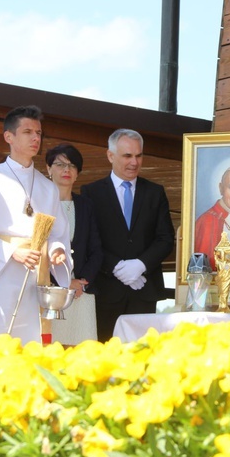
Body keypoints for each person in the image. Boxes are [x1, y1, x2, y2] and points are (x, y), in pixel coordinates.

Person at [0, 105, 71, 345]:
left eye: (39, 132)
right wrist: (13, 251)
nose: (36, 138)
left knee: (32, 343)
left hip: (38, 277)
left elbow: (58, 233)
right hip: (1, 275)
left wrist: (56, 250)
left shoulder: (48, 188)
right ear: (9, 137)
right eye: (27, 132)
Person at [81, 129, 175, 342]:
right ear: (110, 156)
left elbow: (165, 238)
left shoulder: (155, 192)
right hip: (106, 291)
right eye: (127, 156)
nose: (134, 162)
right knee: (106, 359)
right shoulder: (92, 192)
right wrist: (117, 267)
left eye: (139, 155)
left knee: (141, 359)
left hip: (144, 289)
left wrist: (140, 265)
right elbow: (90, 241)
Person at [45, 143, 103, 345]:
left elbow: (96, 249)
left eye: (72, 166)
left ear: (78, 172)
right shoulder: (40, 204)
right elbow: (39, 246)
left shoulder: (86, 205)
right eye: (60, 164)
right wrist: (63, 282)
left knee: (82, 351)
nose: (66, 170)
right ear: (48, 169)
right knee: (50, 351)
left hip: (81, 293)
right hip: (50, 293)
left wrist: (81, 281)